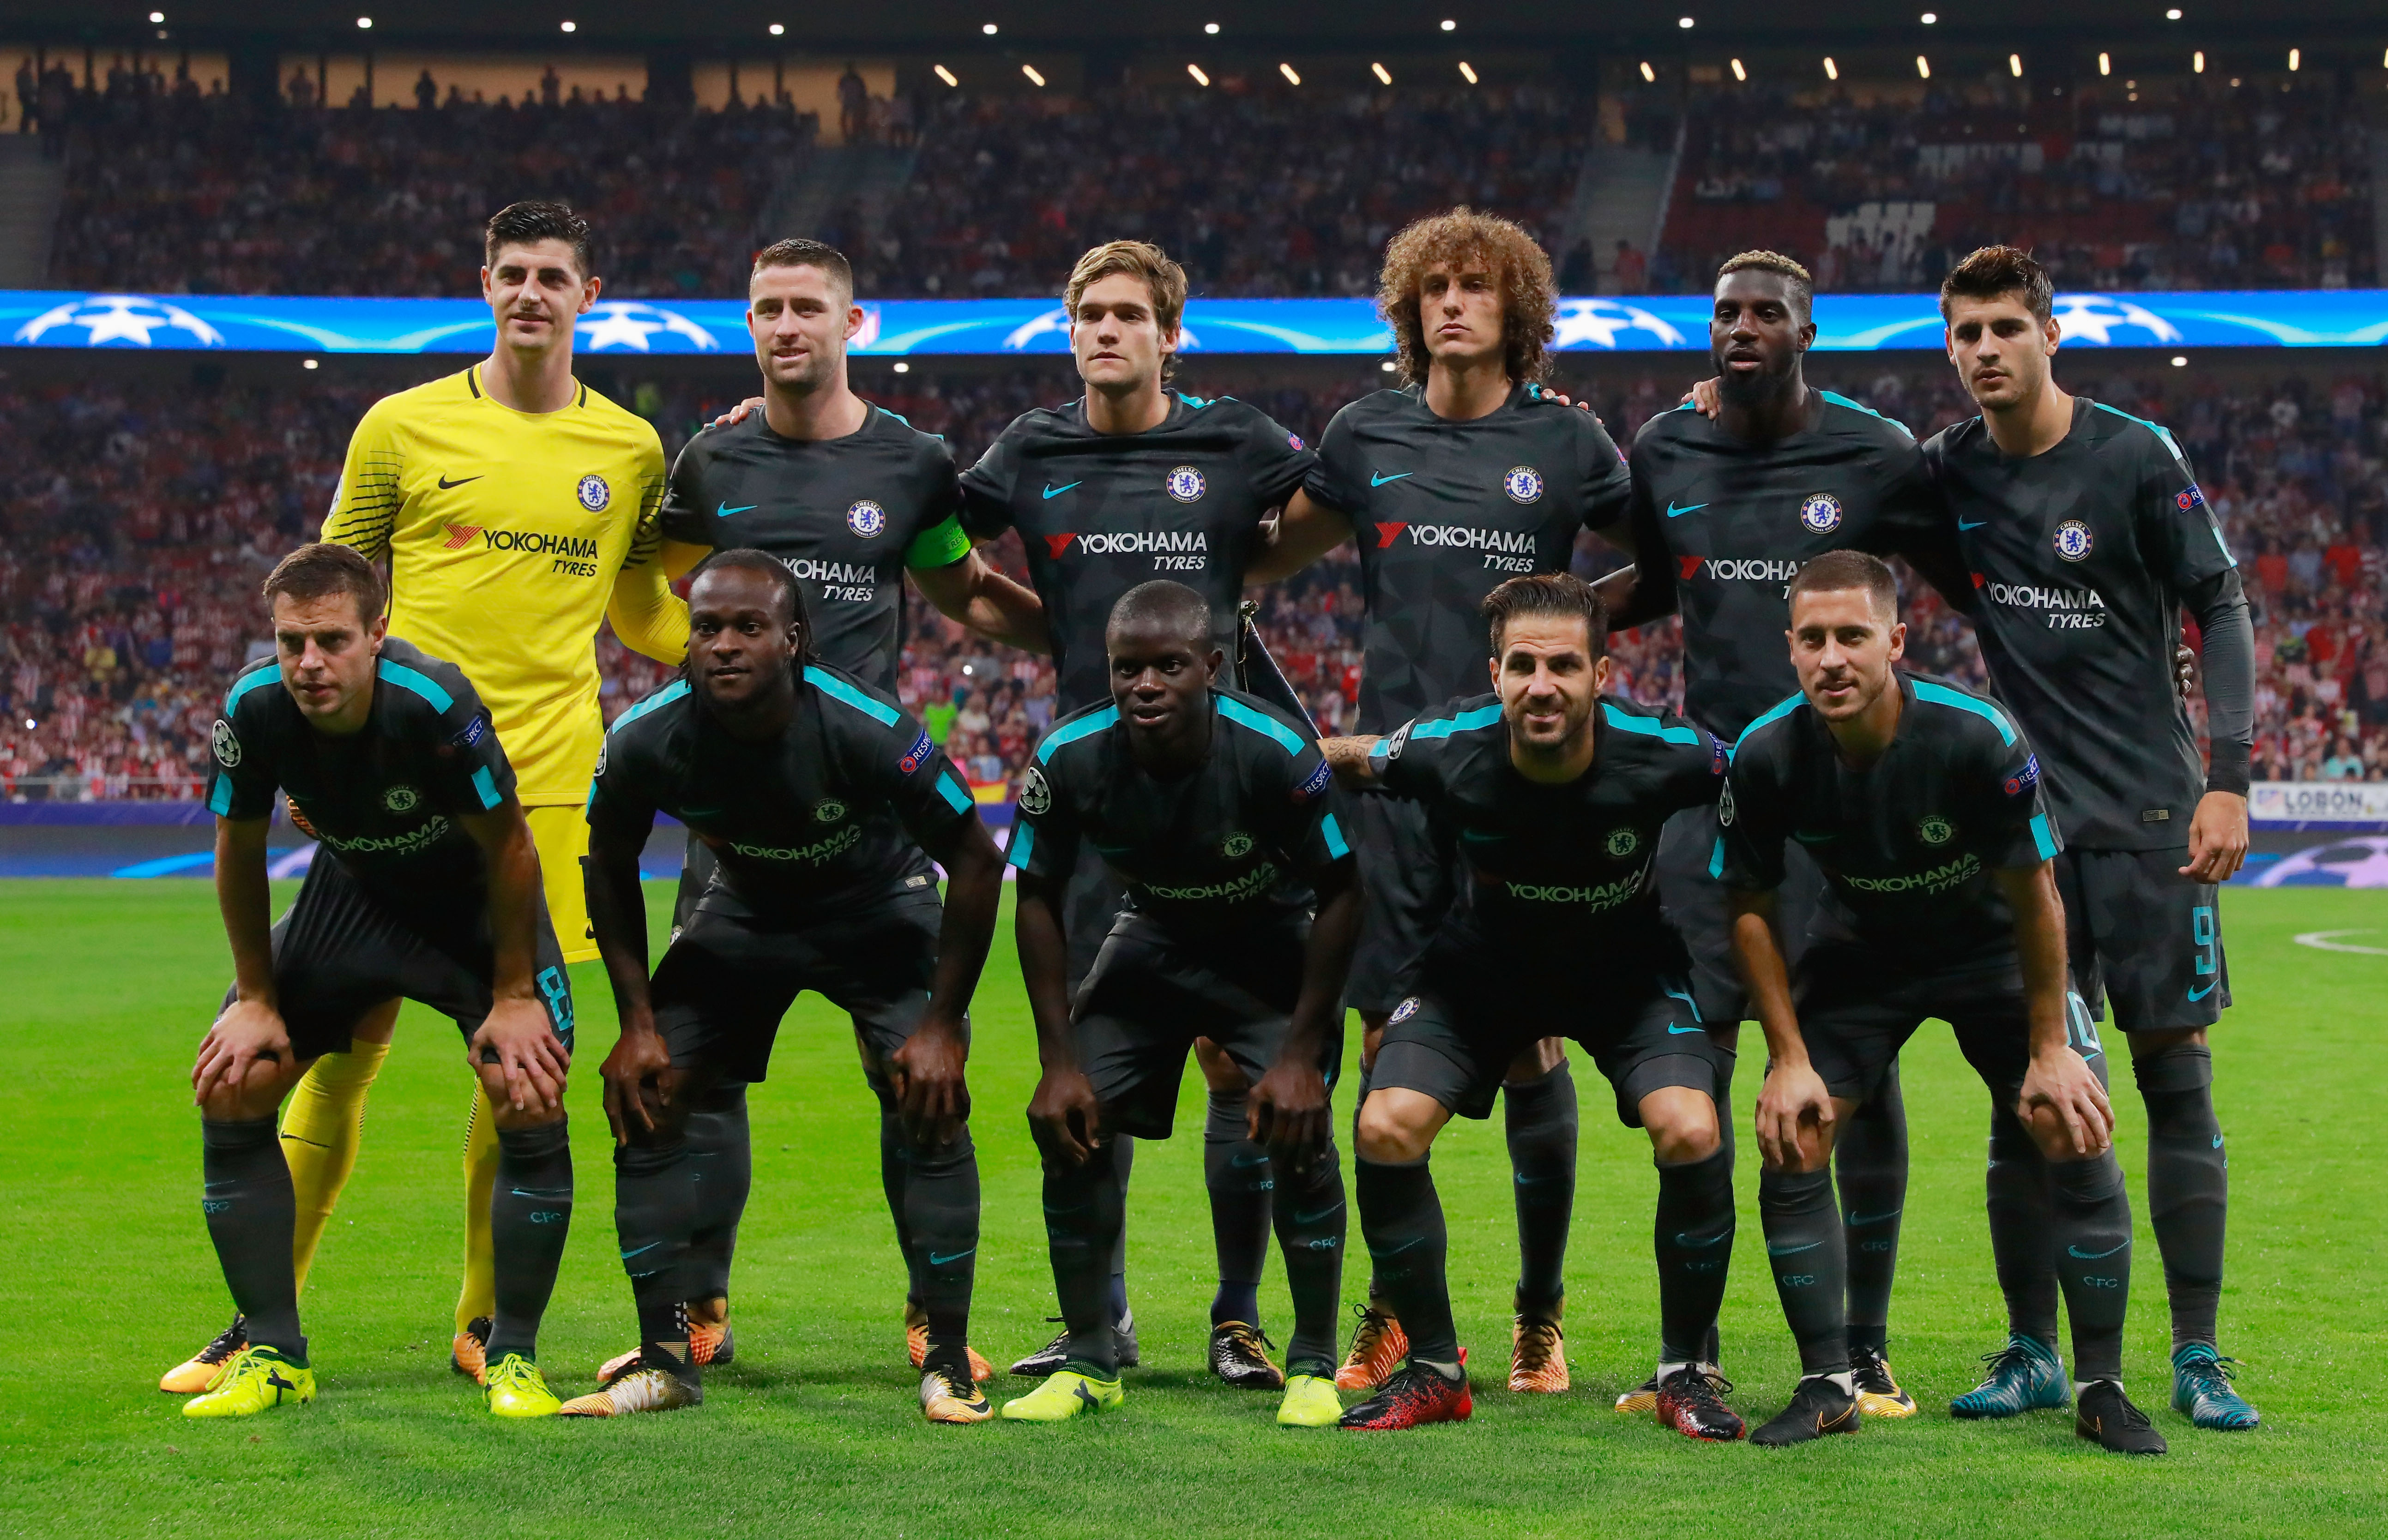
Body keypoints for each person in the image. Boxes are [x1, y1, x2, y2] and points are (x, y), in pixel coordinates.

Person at [158, 201, 688, 1396]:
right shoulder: (402, 424)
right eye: (512, 273)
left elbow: (638, 613)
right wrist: (312, 744)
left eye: (554, 274)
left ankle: (485, 1322)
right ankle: (259, 1325)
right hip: (391, 780)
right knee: (331, 1058)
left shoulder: (629, 452)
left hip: (544, 789)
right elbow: (335, 587)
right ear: (484, 283)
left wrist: (720, 633)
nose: (531, 293)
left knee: (517, 1068)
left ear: (588, 292)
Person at [610, 236, 1044, 1388]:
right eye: (767, 308)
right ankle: (698, 1308)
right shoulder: (706, 464)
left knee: (917, 1080)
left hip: (872, 829)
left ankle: (932, 1320)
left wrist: (1083, 640)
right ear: (749, 326)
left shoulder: (913, 463)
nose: (786, 325)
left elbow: (962, 593)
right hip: (735, 844)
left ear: (855, 326)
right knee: (695, 1084)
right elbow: (672, 608)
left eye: (808, 307)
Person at [1249, 208, 1632, 1395]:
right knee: (1382, 1051)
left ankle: (1538, 1319)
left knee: (1532, 1050)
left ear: (1516, 312)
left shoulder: (1570, 451)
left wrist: (1578, 646)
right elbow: (1257, 558)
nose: (1453, 303)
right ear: (1408, 310)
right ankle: (1397, 1314)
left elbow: (1667, 558)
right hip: (1389, 796)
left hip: (1526, 804)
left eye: (1477, 287)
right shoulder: (1364, 434)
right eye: (1435, 288)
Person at [1594, 250, 1967, 1419]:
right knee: (1692, 1070)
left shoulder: (1877, 454)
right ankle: (1684, 1357)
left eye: (1768, 314)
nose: (1742, 328)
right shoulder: (1666, 448)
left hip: (1849, 821)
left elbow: (1961, 580)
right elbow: (1655, 586)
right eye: (1726, 314)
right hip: (1716, 806)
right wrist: (1541, 622)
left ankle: (1863, 1348)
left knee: (1855, 1072)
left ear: (1809, 332)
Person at [960, 241, 1318, 1386]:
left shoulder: (1237, 439)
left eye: (1130, 315)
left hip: (1223, 797)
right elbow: (939, 551)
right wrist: (1056, 635)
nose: (1107, 331)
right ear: (1070, 333)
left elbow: (1332, 507)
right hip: (1095, 798)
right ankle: (1096, 1322)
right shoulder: (1029, 448)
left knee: (1233, 1066)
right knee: (1092, 1081)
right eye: (1090, 316)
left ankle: (1237, 1317)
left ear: (1172, 334)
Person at [1722, 551, 2163, 1454]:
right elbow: (1752, 912)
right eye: (1814, 639)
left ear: (1897, 639)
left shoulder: (1976, 737)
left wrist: (2051, 1045)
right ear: (1791, 649)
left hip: (1993, 956)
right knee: (1794, 1132)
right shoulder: (1767, 753)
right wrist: (1788, 1057)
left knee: (2073, 1120)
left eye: (1853, 636)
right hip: (1862, 958)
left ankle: (2102, 1386)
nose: (1833, 658)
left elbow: (2037, 894)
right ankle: (1828, 1383)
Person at [1922, 245, 2258, 1432]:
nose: (1984, 352)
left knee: (2174, 1081)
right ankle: (2032, 1350)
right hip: (2029, 844)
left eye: (2005, 328)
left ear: (2049, 334)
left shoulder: (2132, 457)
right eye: (1965, 334)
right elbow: (1834, 475)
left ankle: (2200, 1354)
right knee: (2035, 1093)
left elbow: (2220, 602)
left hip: (2160, 827)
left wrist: (2230, 780)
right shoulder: (1945, 473)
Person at [562, 552, 1006, 1424]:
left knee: (925, 1087)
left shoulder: (868, 726)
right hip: (750, 907)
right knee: (650, 1087)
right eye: (707, 629)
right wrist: (637, 1023)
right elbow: (607, 866)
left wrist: (944, 1023)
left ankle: (945, 1353)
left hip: (878, 907)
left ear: (794, 641)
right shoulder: (647, 736)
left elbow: (978, 861)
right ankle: (664, 1358)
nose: (723, 646)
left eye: (748, 629)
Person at [1321, 573, 1743, 1438]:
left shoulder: (1670, 750)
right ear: (1495, 672)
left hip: (1625, 972)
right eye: (1522, 666)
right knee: (1383, 1124)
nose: (1541, 685)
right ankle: (1435, 1369)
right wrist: (1245, 747)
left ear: (1601, 673)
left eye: (1562, 666)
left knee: (1692, 1129)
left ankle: (1686, 1373)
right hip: (1484, 970)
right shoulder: (1444, 744)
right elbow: (1355, 758)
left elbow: (1767, 782)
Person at [184, 545, 578, 1420]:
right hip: (350, 900)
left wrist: (515, 996)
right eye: (291, 643)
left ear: (377, 634)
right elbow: (239, 847)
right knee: (234, 1082)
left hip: (469, 916)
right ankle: (272, 1351)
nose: (309, 664)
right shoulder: (252, 707)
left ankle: (510, 1351)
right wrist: (255, 998)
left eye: (330, 640)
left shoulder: (433, 702)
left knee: (529, 1088)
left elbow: (510, 844)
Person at [1002, 581, 1358, 1427]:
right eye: (1129, 669)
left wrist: (1304, 1055)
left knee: (1299, 1130)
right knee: (1071, 1120)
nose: (1145, 686)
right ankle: (1090, 1360)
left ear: (1214, 666)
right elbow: (1037, 896)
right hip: (1152, 932)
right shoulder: (1071, 753)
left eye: (1169, 666)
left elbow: (1344, 890)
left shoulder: (1277, 750)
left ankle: (1311, 1364)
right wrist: (1058, 1063)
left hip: (1269, 938)